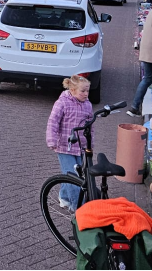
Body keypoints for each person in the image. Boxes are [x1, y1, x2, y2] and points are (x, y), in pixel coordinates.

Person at [45, 75, 94, 210]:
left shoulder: (88, 105)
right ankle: (78, 208)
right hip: (64, 146)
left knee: (76, 174)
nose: (86, 94)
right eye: (82, 91)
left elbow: (90, 126)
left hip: (80, 146)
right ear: (72, 90)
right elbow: (53, 121)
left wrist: (90, 143)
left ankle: (64, 197)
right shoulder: (62, 103)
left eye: (87, 91)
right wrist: (52, 139)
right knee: (73, 175)